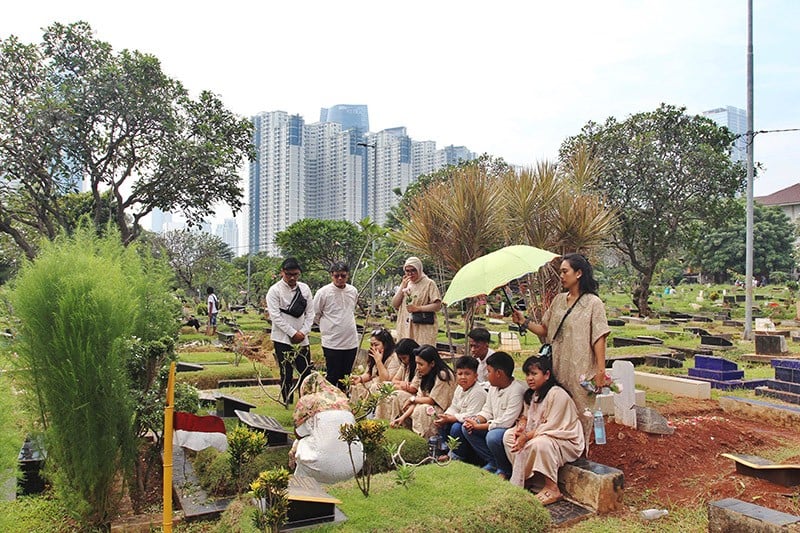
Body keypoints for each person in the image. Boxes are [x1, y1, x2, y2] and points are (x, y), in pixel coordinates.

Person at [512, 253, 610, 448]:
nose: (561, 276)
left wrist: (601, 371)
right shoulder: (558, 301)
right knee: (556, 413)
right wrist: (524, 321)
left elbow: (599, 337)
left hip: (581, 371)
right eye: (560, 272)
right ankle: (555, 453)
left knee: (581, 413)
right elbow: (545, 331)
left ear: (579, 273)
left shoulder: (593, 303)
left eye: (565, 271)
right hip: (557, 368)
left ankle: (580, 453)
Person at [502, 354, 585, 506]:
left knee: (541, 443)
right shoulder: (533, 395)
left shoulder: (557, 394)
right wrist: (521, 428)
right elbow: (526, 417)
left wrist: (526, 437)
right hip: (540, 434)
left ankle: (552, 488)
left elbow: (551, 426)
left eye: (534, 374)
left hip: (564, 439)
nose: (529, 378)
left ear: (546, 375)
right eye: (527, 374)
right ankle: (527, 479)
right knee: (508, 436)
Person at [460, 351, 526, 478]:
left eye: (489, 371)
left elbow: (507, 421)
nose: (487, 375)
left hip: (508, 430)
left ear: (499, 373)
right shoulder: (493, 388)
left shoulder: (516, 391)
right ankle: (493, 462)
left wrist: (479, 426)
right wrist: (476, 420)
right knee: (466, 427)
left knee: (493, 436)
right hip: (493, 425)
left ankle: (504, 469)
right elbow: (487, 410)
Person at [290, 372, 363, 484]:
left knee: (301, 441)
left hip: (321, 467)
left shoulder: (308, 401)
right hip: (355, 465)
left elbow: (298, 434)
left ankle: (302, 485)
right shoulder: (342, 399)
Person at [266, 257, 315, 404]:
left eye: (295, 274)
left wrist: (303, 332)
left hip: (302, 338)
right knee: (286, 372)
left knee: (305, 371)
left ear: (299, 273)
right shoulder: (274, 291)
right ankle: (287, 401)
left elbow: (310, 313)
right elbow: (275, 316)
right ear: (282, 272)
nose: (292, 277)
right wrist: (292, 333)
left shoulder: (305, 289)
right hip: (282, 338)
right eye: (289, 274)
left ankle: (305, 401)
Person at [391, 344, 456, 438]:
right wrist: (403, 417)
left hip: (441, 410)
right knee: (399, 395)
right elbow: (418, 399)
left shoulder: (443, 375)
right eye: (417, 363)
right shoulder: (423, 373)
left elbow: (432, 400)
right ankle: (402, 429)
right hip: (423, 404)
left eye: (421, 364)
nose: (417, 367)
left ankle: (424, 441)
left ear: (432, 363)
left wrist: (413, 399)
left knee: (422, 409)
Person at [313, 262, 359, 391]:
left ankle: (344, 404)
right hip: (332, 342)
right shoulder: (323, 293)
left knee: (346, 376)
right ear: (331, 276)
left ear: (347, 276)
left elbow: (351, 309)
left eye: (343, 276)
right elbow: (315, 314)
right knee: (332, 376)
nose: (340, 278)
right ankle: (332, 405)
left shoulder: (352, 291)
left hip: (350, 342)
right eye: (336, 275)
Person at [434, 355, 487, 462]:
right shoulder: (459, 388)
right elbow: (454, 406)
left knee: (456, 427)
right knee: (442, 420)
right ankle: (447, 450)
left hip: (472, 427)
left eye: (467, 374)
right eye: (460, 374)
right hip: (460, 420)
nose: (463, 377)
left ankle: (458, 456)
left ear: (476, 376)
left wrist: (451, 418)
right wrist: (447, 415)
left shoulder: (478, 392)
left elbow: (471, 415)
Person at [391, 257, 442, 346]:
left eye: (413, 270)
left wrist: (419, 308)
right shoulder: (406, 283)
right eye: (407, 271)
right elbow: (395, 304)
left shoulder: (429, 283)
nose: (410, 273)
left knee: (421, 352)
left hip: (422, 326)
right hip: (405, 325)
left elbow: (438, 305)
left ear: (419, 269)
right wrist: (402, 286)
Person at [374, 338, 419, 421]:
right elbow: (394, 380)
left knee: (396, 393)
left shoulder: (418, 366)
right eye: (401, 358)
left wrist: (398, 386)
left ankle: (393, 418)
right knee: (383, 386)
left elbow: (413, 389)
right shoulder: (404, 364)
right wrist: (401, 383)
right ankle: (380, 417)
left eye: (404, 358)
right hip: (404, 389)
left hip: (414, 395)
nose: (403, 361)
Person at [349, 328, 399, 403]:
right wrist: (360, 378)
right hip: (372, 383)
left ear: (385, 345)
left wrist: (378, 361)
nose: (373, 348)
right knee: (356, 386)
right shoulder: (373, 355)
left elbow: (385, 380)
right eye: (372, 345)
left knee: (374, 387)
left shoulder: (394, 358)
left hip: (385, 387)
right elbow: (369, 373)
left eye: (376, 345)